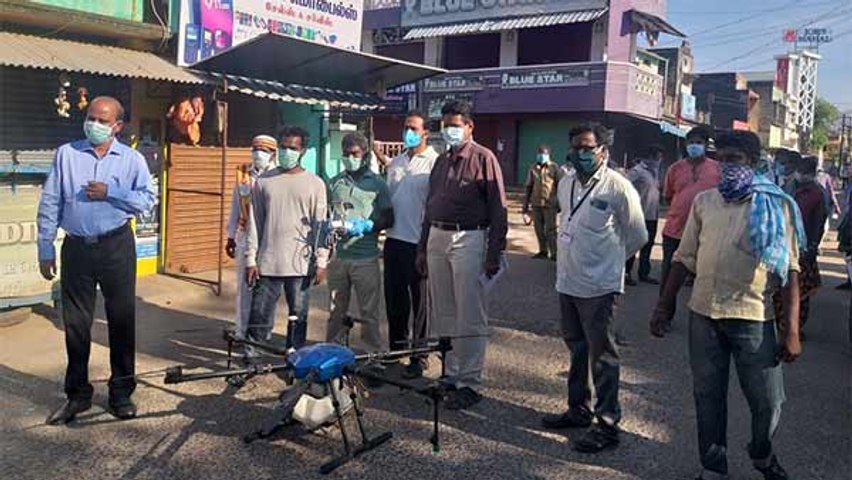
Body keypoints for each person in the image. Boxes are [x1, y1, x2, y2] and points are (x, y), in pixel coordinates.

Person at [651, 131, 804, 480]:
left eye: (733, 159)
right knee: (707, 395)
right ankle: (713, 467)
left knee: (768, 401)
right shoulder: (705, 202)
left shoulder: (776, 205)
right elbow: (683, 257)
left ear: (753, 161)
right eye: (720, 159)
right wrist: (663, 305)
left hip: (753, 317)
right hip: (703, 314)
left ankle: (762, 453)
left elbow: (790, 271)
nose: (724, 166)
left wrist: (792, 330)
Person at [38, 96, 156, 424]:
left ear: (117, 126)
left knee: (121, 320)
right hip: (76, 248)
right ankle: (78, 395)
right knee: (76, 324)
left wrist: (110, 192)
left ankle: (121, 393)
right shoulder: (67, 154)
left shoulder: (132, 160)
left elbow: (147, 201)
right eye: (91, 117)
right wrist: (45, 247)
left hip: (116, 245)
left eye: (103, 121)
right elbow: (50, 201)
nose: (94, 124)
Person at [540, 123, 647, 453]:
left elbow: (638, 235)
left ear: (603, 150)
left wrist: (609, 264)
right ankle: (578, 410)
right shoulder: (566, 182)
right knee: (577, 348)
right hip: (568, 281)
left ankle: (608, 425)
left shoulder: (618, 187)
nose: (581, 153)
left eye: (588, 147)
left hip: (600, 287)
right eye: (576, 147)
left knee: (603, 357)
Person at [416, 99, 508, 410]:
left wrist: (494, 252)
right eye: (446, 126)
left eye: (455, 125)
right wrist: (422, 246)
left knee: (469, 313)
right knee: (443, 311)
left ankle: (469, 381)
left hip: (469, 237)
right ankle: (450, 374)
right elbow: (429, 206)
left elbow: (498, 209)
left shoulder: (484, 158)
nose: (450, 131)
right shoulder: (441, 161)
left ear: (469, 127)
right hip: (437, 236)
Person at [244, 126, 329, 355]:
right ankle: (252, 358)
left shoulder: (315, 184)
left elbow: (321, 226)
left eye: (292, 148)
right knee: (258, 317)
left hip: (300, 264)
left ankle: (296, 359)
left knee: (298, 318)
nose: (286, 152)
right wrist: (251, 259)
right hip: (268, 262)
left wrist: (321, 261)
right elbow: (255, 222)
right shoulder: (264, 181)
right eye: (283, 147)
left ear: (302, 151)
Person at [326, 132, 394, 353]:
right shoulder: (335, 182)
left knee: (369, 312)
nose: (350, 158)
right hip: (339, 257)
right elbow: (327, 213)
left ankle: (372, 354)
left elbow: (389, 218)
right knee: (335, 310)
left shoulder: (377, 184)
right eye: (346, 154)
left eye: (354, 153)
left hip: (365, 258)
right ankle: (333, 351)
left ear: (364, 154)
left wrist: (366, 226)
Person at [384, 112, 438, 379]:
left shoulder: (435, 163)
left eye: (414, 128)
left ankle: (419, 356)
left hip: (419, 243)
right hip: (394, 240)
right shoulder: (395, 162)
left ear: (425, 132)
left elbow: (435, 206)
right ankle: (396, 348)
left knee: (421, 303)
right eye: (406, 127)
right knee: (395, 300)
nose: (409, 132)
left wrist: (427, 246)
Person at [225, 135, 278, 339]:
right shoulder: (243, 174)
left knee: (268, 288)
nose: (258, 153)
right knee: (244, 287)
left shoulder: (278, 176)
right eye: (255, 149)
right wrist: (230, 236)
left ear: (272, 154)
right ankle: (241, 331)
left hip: (270, 237)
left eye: (263, 150)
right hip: (245, 235)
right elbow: (235, 206)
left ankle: (264, 332)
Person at [771, 155, 827, 339]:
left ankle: (796, 327)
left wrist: (812, 246)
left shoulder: (817, 194)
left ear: (811, 174)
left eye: (805, 172)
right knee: (780, 288)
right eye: (799, 171)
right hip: (783, 244)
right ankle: (780, 323)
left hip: (804, 248)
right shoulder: (788, 187)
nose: (800, 175)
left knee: (800, 291)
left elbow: (819, 222)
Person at [660, 127, 720, 295]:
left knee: (704, 276)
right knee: (669, 275)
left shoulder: (717, 169)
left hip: (705, 232)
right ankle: (664, 308)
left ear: (706, 145)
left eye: (698, 143)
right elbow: (668, 196)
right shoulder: (675, 168)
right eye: (691, 142)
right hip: (675, 231)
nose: (694, 146)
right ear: (686, 144)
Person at [625, 144, 664, 285]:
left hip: (652, 215)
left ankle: (644, 273)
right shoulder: (637, 171)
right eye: (658, 157)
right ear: (650, 157)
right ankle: (626, 273)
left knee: (648, 245)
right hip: (638, 215)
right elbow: (624, 185)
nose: (659, 160)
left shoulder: (654, 172)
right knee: (633, 245)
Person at [523, 145, 561, 260]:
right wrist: (525, 206)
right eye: (539, 153)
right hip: (536, 204)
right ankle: (543, 251)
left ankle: (554, 253)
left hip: (550, 204)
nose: (541, 156)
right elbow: (528, 187)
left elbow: (560, 186)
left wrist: (560, 203)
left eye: (543, 154)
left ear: (548, 155)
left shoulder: (554, 168)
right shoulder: (533, 168)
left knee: (550, 230)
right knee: (538, 229)